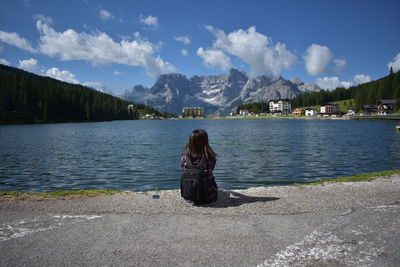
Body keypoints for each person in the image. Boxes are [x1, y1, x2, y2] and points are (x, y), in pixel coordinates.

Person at [180, 129, 218, 204]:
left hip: (189, 196)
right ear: (206, 141)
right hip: (209, 196)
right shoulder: (210, 156)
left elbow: (182, 165)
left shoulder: (184, 157)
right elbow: (211, 170)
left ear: (190, 141)